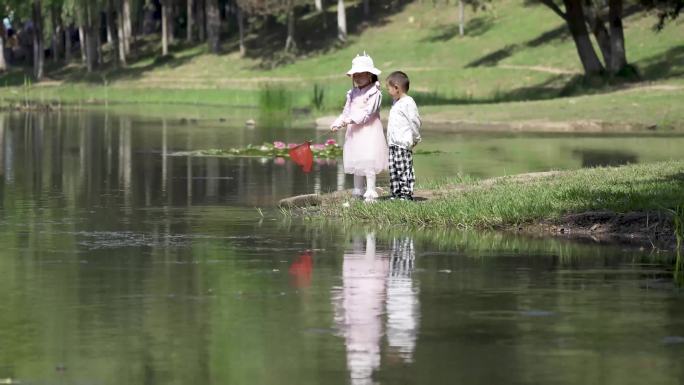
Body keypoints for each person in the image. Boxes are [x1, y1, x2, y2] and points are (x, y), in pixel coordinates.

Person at [331, 53, 388, 202]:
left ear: (369, 75)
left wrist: (349, 120)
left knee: (368, 159)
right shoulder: (352, 93)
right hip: (354, 132)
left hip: (369, 131)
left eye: (360, 74)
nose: (357, 77)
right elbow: (346, 112)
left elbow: (367, 113)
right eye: (354, 75)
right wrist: (338, 122)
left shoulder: (374, 92)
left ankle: (370, 190)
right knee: (356, 160)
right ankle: (357, 190)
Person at [385, 71, 421, 201]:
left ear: (396, 88)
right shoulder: (396, 102)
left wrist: (416, 137)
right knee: (394, 169)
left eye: (388, 88)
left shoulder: (408, 102)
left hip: (403, 143)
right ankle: (396, 193)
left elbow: (415, 121)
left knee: (404, 169)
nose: (387, 91)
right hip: (393, 143)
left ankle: (406, 194)